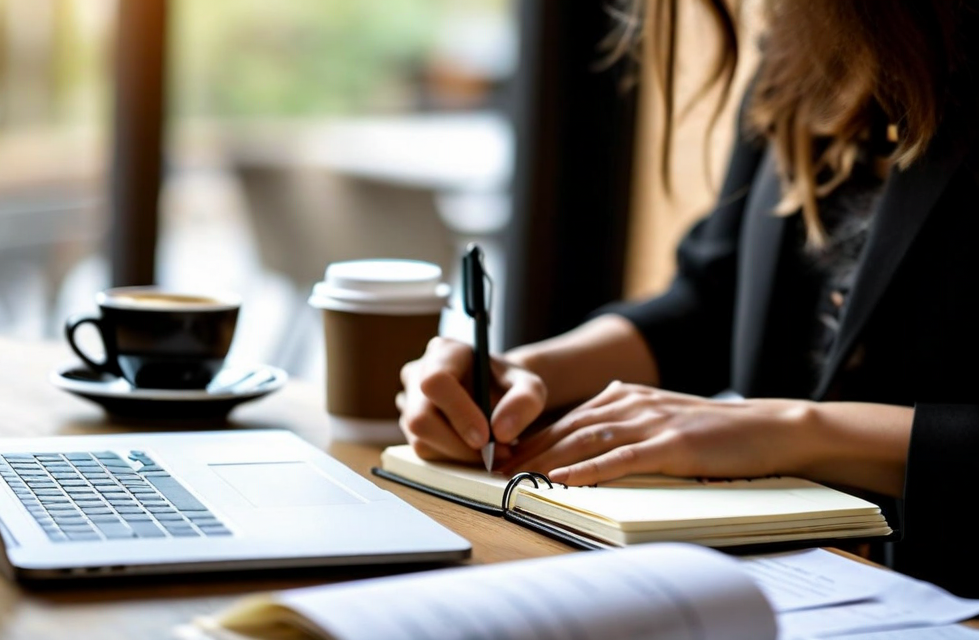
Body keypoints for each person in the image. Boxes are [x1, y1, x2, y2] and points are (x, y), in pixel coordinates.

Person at [398, 0, 979, 597]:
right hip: (792, 580)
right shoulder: (801, 48)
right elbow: (710, 301)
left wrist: (796, 430)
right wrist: (525, 372)